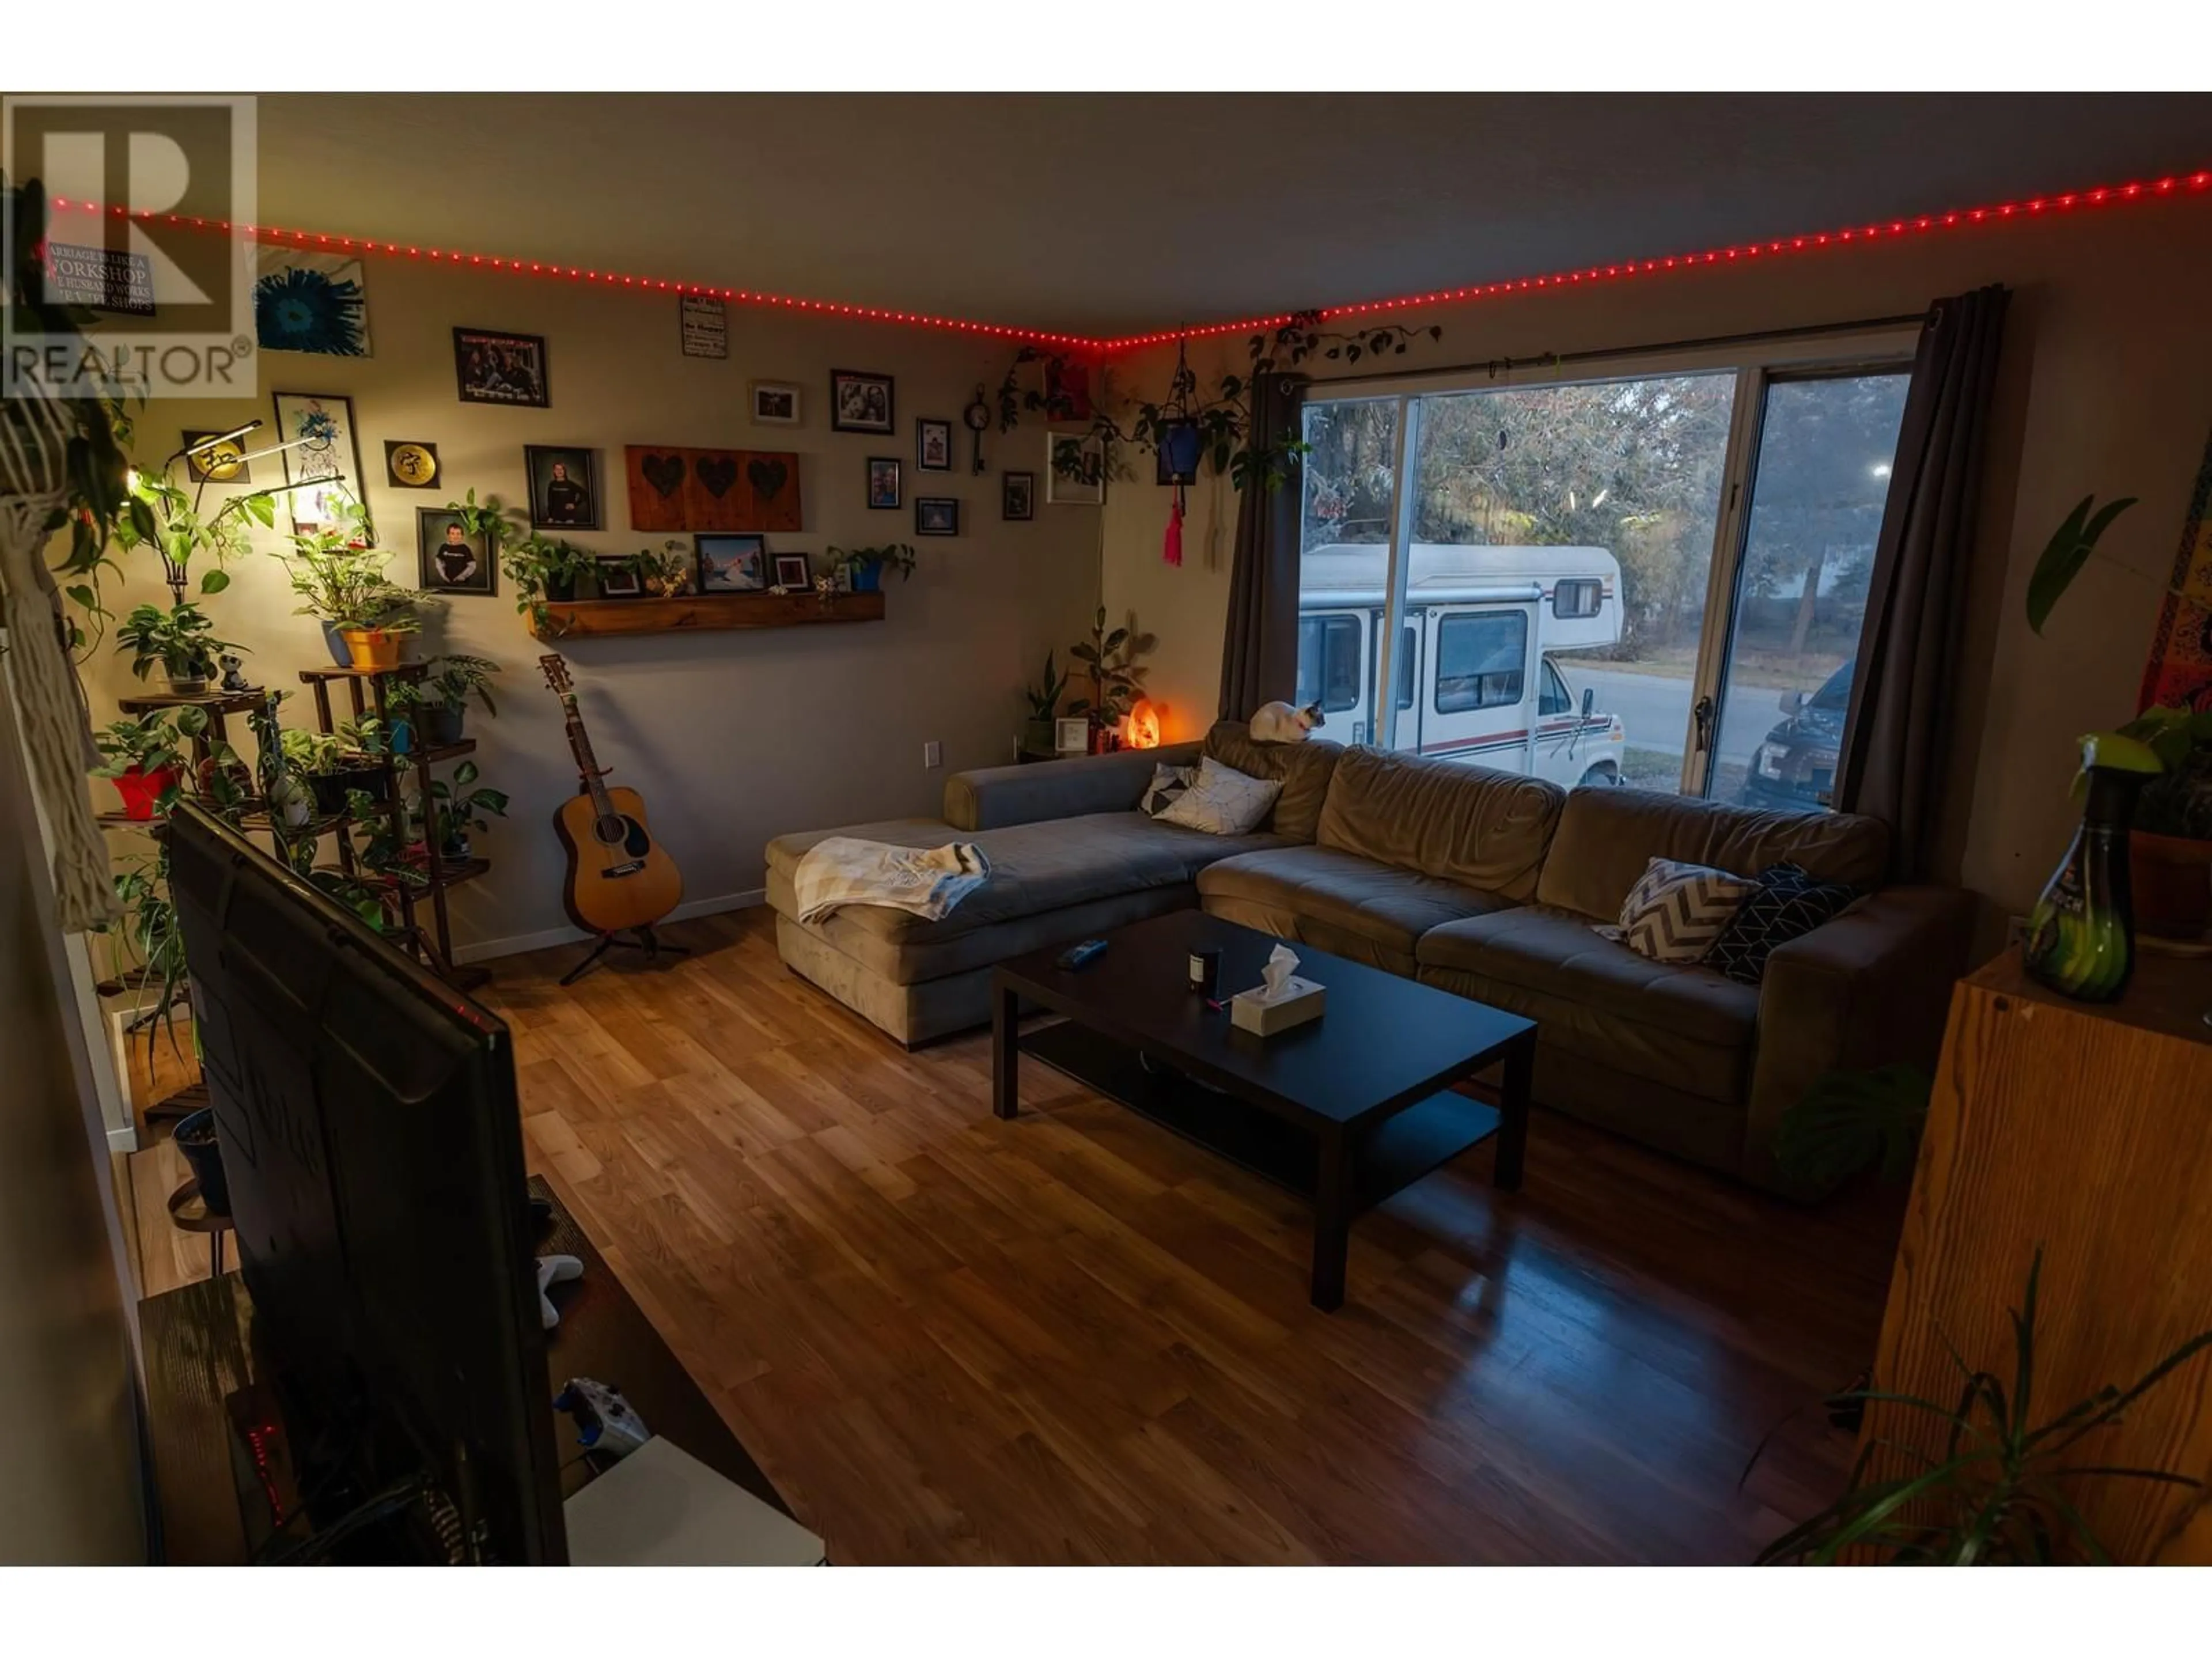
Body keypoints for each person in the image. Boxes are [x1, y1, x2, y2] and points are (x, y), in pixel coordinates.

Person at [540, 459, 590, 525]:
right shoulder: (552, 484)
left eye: (561, 469)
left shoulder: (570, 484)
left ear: (564, 471)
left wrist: (575, 504)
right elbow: (550, 501)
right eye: (557, 469)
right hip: (556, 519)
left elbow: (585, 494)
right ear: (554, 471)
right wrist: (550, 517)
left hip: (569, 518)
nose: (559, 471)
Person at [433, 522, 479, 586]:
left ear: (462, 536)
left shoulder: (465, 548)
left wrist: (462, 577)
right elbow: (439, 562)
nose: (456, 536)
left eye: (458, 534)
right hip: (447, 581)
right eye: (453, 534)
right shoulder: (444, 547)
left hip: (463, 582)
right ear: (448, 535)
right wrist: (443, 576)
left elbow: (472, 565)